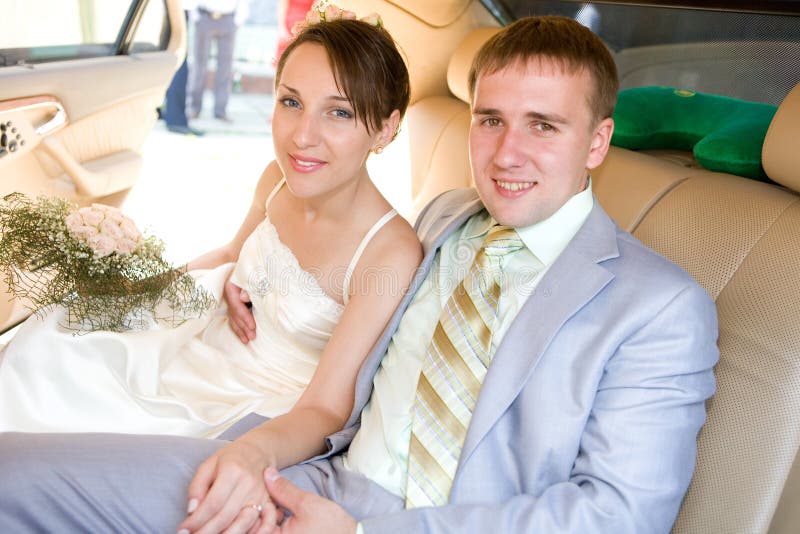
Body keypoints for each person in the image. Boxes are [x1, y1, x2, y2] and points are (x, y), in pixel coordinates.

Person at [0, 15, 718, 534]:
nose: (506, 153)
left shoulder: (657, 307)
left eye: (544, 125)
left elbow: (619, 514)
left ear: (597, 142)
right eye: (490, 119)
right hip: (302, 476)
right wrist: (249, 448)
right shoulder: (443, 220)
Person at [0, 12, 419, 444]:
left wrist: (252, 454)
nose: (302, 136)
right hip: (201, 342)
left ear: (386, 128)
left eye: (339, 112)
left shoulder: (388, 252)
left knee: (69, 414)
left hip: (250, 403)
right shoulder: (277, 179)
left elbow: (327, 407)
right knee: (52, 340)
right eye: (291, 102)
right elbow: (230, 254)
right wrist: (131, 294)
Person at [188, 0, 250, 122]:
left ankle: (221, 110)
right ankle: (194, 107)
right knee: (199, 66)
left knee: (225, 68)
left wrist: (238, 20)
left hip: (228, 19)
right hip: (205, 17)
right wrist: (195, 16)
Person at [162, 0, 205, 136]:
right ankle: (176, 119)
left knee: (172, 61)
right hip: (177, 9)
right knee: (179, 64)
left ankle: (170, 114)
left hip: (175, 9)